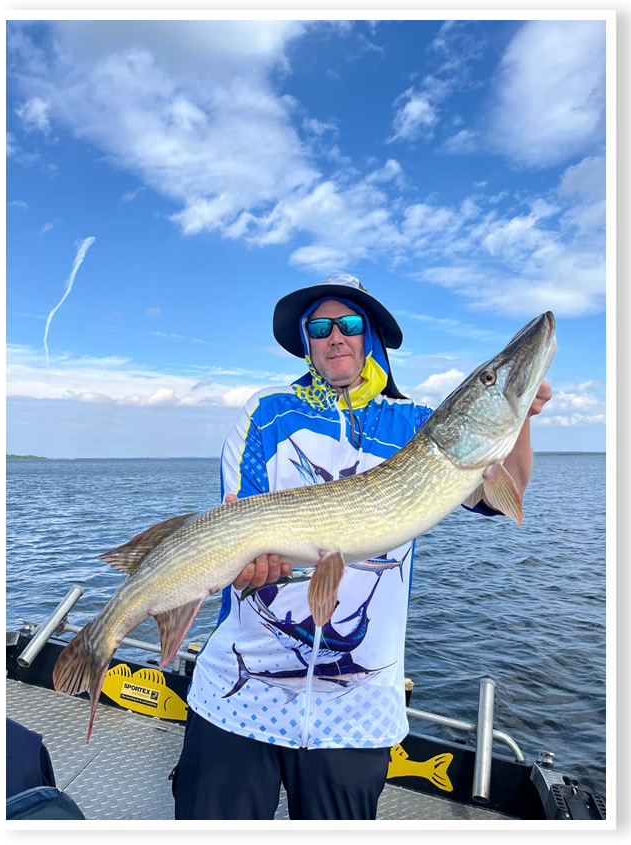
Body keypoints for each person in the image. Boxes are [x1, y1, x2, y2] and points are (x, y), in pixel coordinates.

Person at [172, 274, 552, 820]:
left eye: (348, 323)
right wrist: (254, 566)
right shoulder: (267, 412)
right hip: (240, 690)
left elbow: (502, 497)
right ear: (307, 341)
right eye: (320, 327)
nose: (336, 336)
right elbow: (239, 520)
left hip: (357, 710)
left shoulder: (419, 424)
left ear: (368, 335)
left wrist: (520, 418)